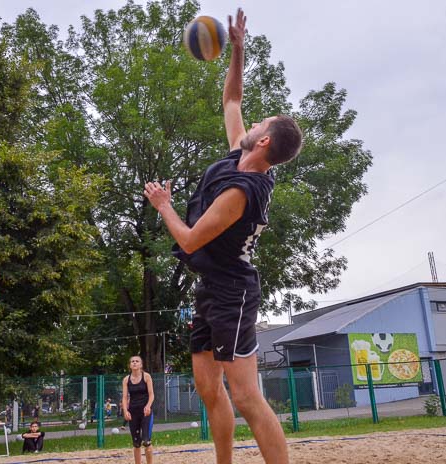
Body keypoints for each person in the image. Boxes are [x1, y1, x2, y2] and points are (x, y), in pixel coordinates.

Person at [143, 8, 302, 464]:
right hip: (211, 287)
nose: (250, 124)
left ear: (266, 142)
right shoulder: (239, 156)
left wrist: (163, 205)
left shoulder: (243, 190)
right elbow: (231, 101)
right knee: (210, 390)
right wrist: (237, 49)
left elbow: (190, 240)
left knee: (246, 396)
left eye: (260, 124)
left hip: (233, 290)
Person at [121, 356, 155, 464]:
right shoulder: (126, 379)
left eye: (137, 361)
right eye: (132, 361)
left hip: (145, 412)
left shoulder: (146, 376)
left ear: (141, 364)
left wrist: (148, 406)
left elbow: (151, 394)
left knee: (146, 441)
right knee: (136, 443)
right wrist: (125, 411)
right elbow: (125, 397)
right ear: (130, 365)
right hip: (133, 412)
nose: (134, 363)